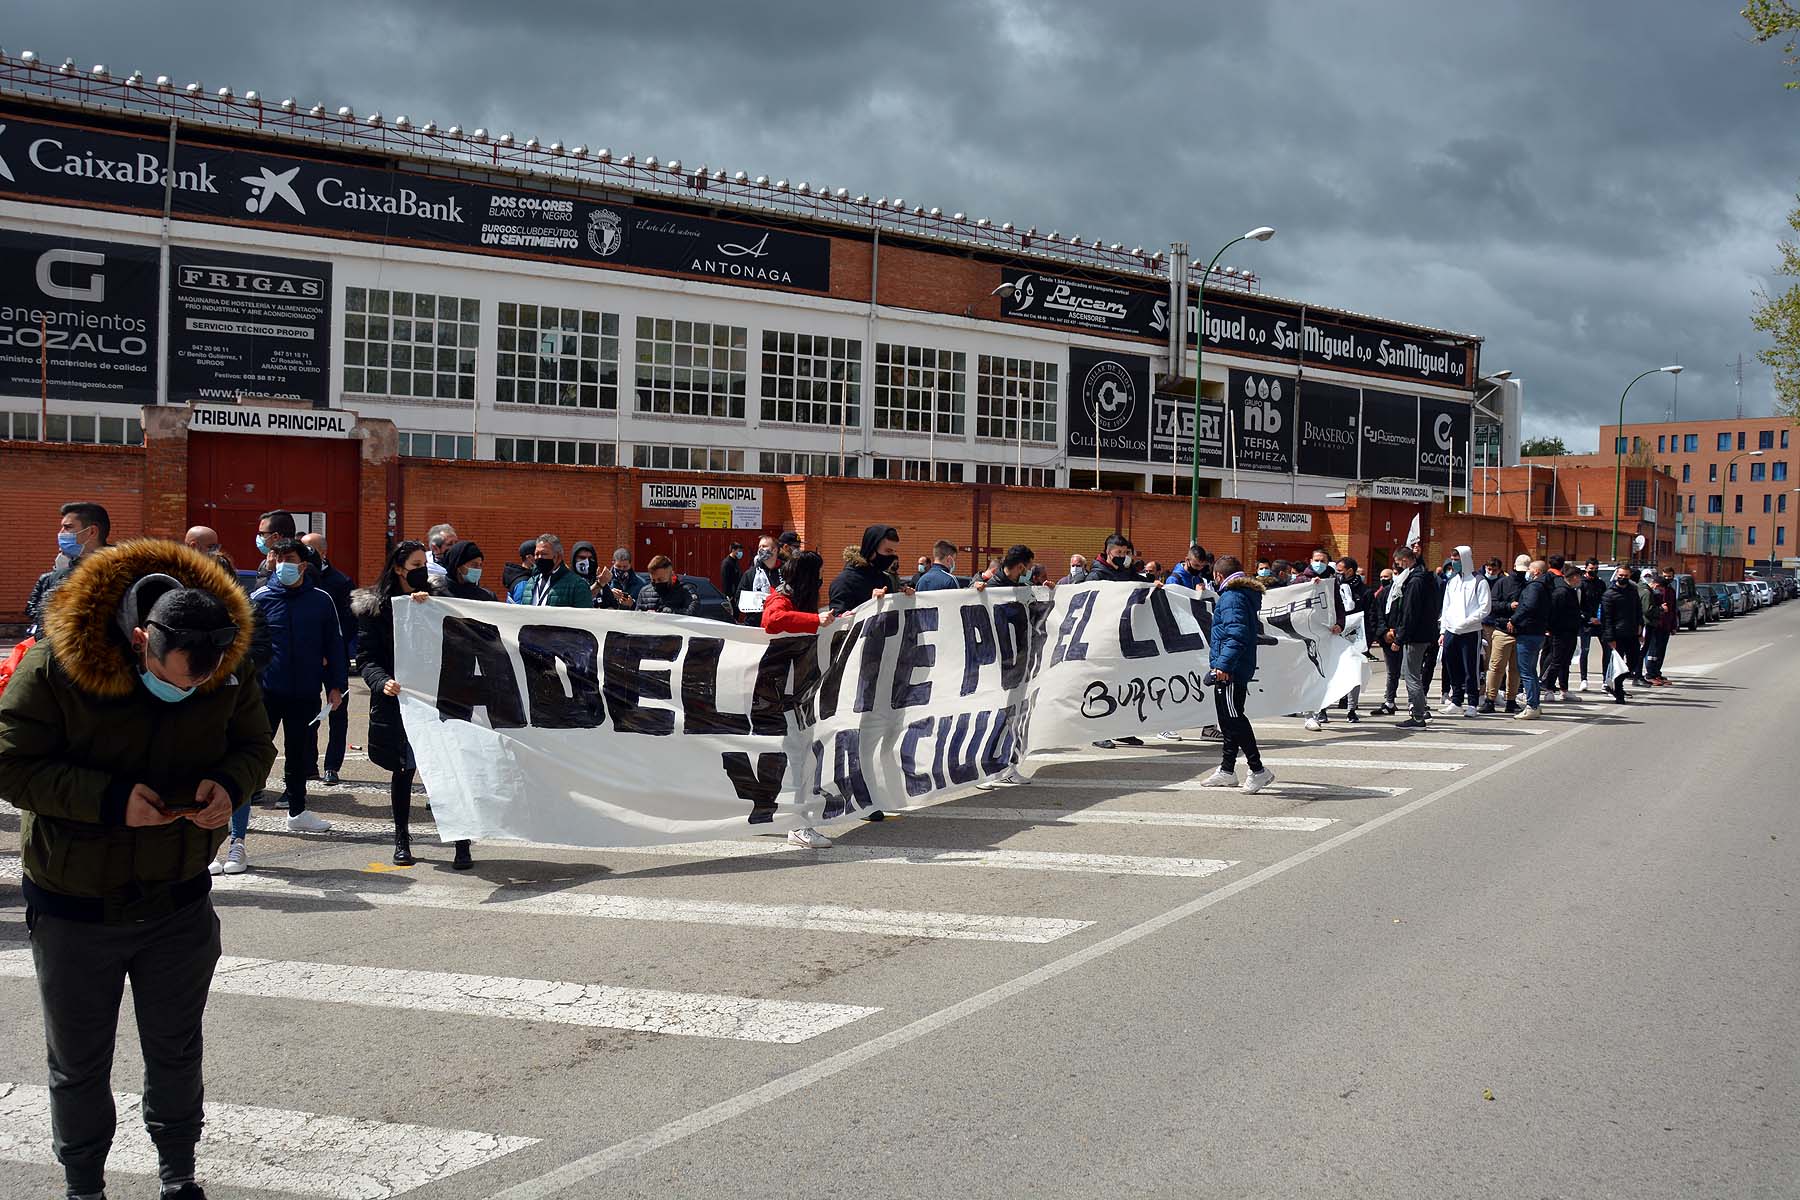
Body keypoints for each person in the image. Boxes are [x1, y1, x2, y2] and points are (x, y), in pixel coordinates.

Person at [0, 540, 274, 1200]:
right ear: (141, 638)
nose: (186, 693)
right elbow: (9, 763)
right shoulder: (57, 665)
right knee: (80, 1065)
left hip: (177, 905)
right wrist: (109, 801)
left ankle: (179, 1176)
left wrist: (228, 786)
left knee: (177, 1051)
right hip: (76, 908)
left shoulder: (223, 668)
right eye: (175, 677)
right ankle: (84, 1187)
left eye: (198, 686)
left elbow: (254, 745)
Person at [356, 541, 474, 870]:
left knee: (449, 773)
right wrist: (382, 682)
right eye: (415, 563)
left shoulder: (438, 599)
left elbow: (460, 640)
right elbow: (367, 659)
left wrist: (429, 609)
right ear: (398, 567)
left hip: (440, 701)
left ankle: (461, 843)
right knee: (404, 770)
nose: (422, 569)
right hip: (400, 702)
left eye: (425, 562)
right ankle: (402, 839)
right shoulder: (376, 608)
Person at [249, 539, 347, 831]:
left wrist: (336, 686)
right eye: (278, 558)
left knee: (298, 752)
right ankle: (241, 811)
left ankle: (297, 811)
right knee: (254, 749)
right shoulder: (260, 598)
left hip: (305, 692)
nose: (283, 564)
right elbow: (246, 647)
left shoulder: (321, 600)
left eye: (289, 558)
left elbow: (335, 645)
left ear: (303, 565)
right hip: (265, 692)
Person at [760, 550, 841, 848]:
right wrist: (815, 619)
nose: (821, 581)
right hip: (782, 693)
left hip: (796, 692)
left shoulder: (793, 597)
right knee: (798, 758)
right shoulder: (781, 597)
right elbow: (773, 620)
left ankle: (796, 821)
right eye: (817, 575)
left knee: (801, 756)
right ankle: (797, 825)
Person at [1197, 556, 1275, 794]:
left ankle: (1258, 769)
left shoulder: (1231, 597)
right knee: (1227, 720)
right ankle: (1227, 770)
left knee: (1234, 718)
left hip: (1230, 670)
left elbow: (1236, 635)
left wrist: (1223, 666)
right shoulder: (1241, 595)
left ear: (1219, 576)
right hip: (1232, 667)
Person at [300, 532, 356, 785]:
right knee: (306, 710)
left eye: (309, 550)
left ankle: (332, 765)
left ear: (322, 552)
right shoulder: (298, 578)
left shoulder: (341, 581)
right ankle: (309, 764)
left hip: (335, 657)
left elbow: (349, 623)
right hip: (308, 659)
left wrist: (329, 652)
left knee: (338, 710)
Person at [1386, 545, 1439, 729]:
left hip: (1416, 636)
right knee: (1412, 674)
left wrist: (1400, 638)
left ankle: (1418, 715)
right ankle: (1420, 711)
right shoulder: (1423, 577)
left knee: (1412, 676)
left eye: (1399, 563)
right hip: (1423, 633)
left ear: (1405, 561)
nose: (1398, 566)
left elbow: (1410, 612)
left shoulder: (1415, 581)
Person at [1436, 551, 1490, 719]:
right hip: (1452, 631)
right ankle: (1456, 700)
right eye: (1452, 559)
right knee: (1452, 666)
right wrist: (1443, 630)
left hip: (1470, 631)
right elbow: (1446, 606)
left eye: (1457, 559)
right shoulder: (1452, 580)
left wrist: (1467, 622)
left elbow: (1485, 607)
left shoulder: (1479, 581)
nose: (1454, 562)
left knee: (1471, 668)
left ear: (1465, 559)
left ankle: (1473, 703)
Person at [828, 523, 909, 614]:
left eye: (894, 552)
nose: (892, 556)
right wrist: (871, 604)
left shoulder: (884, 578)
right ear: (871, 550)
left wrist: (906, 599)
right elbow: (838, 621)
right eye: (888, 551)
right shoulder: (844, 582)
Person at [1481, 555, 1525, 713]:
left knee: (1515, 669)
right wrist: (1508, 606)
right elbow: (1491, 604)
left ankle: (1511, 700)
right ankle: (1490, 699)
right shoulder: (1503, 583)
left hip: (1521, 632)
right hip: (1501, 629)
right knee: (1496, 667)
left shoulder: (1528, 585)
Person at [1509, 558, 1550, 719]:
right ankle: (1535, 704)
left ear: (1536, 572)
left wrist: (1514, 619)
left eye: (1529, 570)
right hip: (1537, 631)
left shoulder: (1535, 586)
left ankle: (1532, 705)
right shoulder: (1545, 586)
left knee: (1526, 671)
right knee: (1531, 670)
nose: (1526, 572)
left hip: (1528, 632)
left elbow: (1528, 606)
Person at [1600, 563, 1645, 703]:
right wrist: (1610, 637)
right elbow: (1606, 618)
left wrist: (1640, 628)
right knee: (1617, 665)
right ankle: (1618, 692)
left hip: (1632, 633)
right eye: (1620, 576)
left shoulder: (1633, 591)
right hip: (1616, 635)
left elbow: (1638, 611)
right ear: (1616, 576)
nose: (1623, 578)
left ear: (1630, 576)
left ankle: (1614, 684)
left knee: (1633, 663)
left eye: (1626, 576)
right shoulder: (1609, 594)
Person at [511, 535, 596, 607]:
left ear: (557, 557)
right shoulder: (530, 583)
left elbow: (583, 620)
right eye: (537, 554)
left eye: (544, 554)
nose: (539, 557)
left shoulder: (577, 584)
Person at [1542, 555, 1582, 701]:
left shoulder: (1571, 590)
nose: (1580, 580)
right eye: (1579, 577)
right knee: (1556, 660)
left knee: (1566, 661)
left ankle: (1564, 689)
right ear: (1574, 577)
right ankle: (1548, 688)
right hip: (1559, 632)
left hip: (1570, 632)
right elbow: (1553, 612)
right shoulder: (1561, 592)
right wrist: (1550, 628)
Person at [1368, 566, 1403, 716]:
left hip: (1406, 637)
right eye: (1394, 574)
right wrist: (1384, 632)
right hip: (1388, 637)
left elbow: (1409, 615)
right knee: (1392, 672)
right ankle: (1389, 701)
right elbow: (1377, 614)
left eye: (1396, 574)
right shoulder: (1384, 594)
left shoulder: (1409, 591)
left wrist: (1399, 633)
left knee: (1410, 673)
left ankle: (1416, 703)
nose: (1384, 580)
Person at [1642, 568, 1677, 687]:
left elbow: (1673, 609)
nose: (1668, 579)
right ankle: (1650, 674)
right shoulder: (1653, 591)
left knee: (1661, 651)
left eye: (1670, 576)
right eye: (1665, 576)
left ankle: (1657, 673)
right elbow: (1649, 609)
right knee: (1652, 651)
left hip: (1666, 625)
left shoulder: (1671, 591)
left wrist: (1673, 625)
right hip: (1655, 624)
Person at [1575, 557, 1606, 691]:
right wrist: (1588, 617)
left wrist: (1600, 617)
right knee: (1585, 651)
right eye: (1591, 569)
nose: (1594, 571)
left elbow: (1604, 602)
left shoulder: (1600, 584)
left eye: (1596, 569)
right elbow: (1577, 605)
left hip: (1600, 622)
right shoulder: (1581, 584)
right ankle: (1584, 679)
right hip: (1585, 622)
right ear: (1586, 569)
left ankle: (1606, 680)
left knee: (1607, 650)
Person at [737, 534, 783, 618]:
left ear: (774, 550)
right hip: (755, 623)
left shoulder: (787, 571)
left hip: (779, 621)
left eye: (764, 546)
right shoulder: (750, 574)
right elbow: (739, 598)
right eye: (759, 547)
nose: (760, 549)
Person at [254, 509, 296, 581]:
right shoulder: (265, 564)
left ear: (275, 536)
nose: (259, 537)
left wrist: (269, 572)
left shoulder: (304, 566)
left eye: (262, 534)